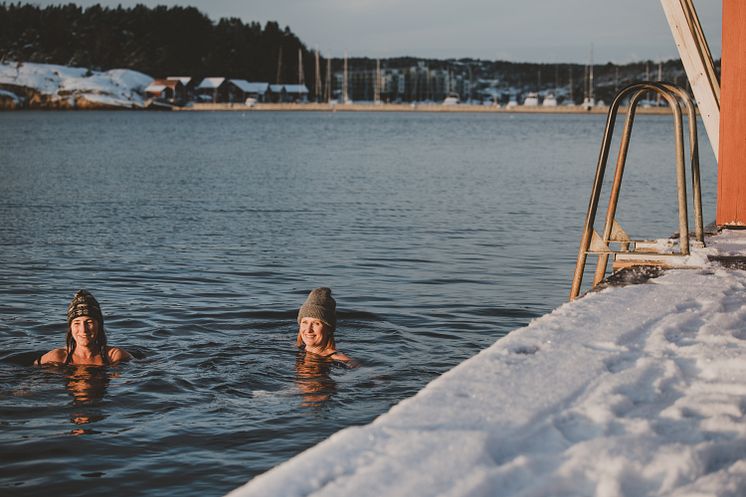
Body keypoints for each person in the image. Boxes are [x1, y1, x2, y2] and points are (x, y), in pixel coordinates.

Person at [38, 289, 132, 366]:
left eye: (89, 322)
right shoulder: (58, 357)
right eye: (77, 323)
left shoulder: (114, 356)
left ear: (99, 325)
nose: (83, 330)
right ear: (70, 328)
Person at [296, 287, 357, 366]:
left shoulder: (339, 359)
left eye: (316, 323)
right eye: (305, 322)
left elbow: (367, 372)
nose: (308, 330)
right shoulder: (298, 348)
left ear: (328, 329)